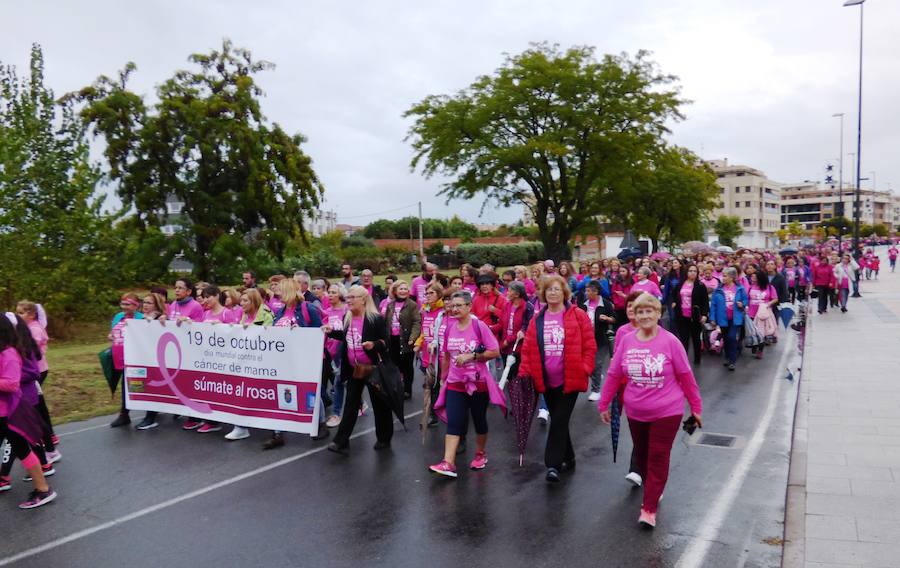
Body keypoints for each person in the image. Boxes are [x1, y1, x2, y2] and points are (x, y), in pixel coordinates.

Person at [598, 293, 703, 528]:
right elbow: (615, 374)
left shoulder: (670, 342)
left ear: (658, 314)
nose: (644, 315)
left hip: (668, 410)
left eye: (649, 311)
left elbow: (686, 377)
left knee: (657, 455)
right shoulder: (626, 340)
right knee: (643, 456)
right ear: (634, 314)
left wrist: (696, 408)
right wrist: (604, 403)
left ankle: (649, 509)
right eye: (640, 311)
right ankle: (654, 488)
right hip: (636, 411)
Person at [518, 275, 596, 482]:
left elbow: (590, 346)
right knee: (559, 421)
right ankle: (569, 457)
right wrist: (525, 374)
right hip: (545, 380)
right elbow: (527, 349)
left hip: (570, 379)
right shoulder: (537, 319)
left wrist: (585, 368)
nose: (553, 292)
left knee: (559, 420)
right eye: (549, 289)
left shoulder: (578, 316)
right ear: (543, 294)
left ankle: (552, 464)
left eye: (557, 289)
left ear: (564, 293)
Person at [429, 291, 505, 478]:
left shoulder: (479, 326)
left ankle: (480, 454)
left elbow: (494, 351)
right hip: (456, 383)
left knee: (479, 421)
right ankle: (448, 463)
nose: (454, 309)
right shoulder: (449, 328)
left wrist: (472, 356)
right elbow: (447, 355)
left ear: (469, 307)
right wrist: (443, 377)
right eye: (452, 306)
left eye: (459, 305)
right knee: (454, 422)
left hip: (478, 383)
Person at [324, 286, 394, 455]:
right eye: (347, 298)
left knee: (380, 406)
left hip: (373, 368)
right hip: (355, 369)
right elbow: (346, 337)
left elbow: (386, 341)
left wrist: (374, 345)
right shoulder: (347, 317)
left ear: (364, 299)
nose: (349, 300)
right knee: (350, 405)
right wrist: (332, 332)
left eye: (352, 297)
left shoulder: (375, 319)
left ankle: (384, 438)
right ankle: (341, 442)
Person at [0, 314, 57, 508]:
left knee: (22, 448)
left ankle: (43, 490)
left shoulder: (8, 353)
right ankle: (42, 489)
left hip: (8, 411)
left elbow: (11, 383)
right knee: (21, 448)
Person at [267, 278, 326, 449]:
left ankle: (320, 423)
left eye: (280, 292)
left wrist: (300, 332)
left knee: (310, 391)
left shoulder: (308, 308)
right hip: (284, 359)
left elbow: (319, 331)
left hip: (305, 358)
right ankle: (278, 432)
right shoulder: (280, 312)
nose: (277, 296)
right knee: (279, 391)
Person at [14, 301, 57, 449]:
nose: (18, 316)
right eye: (17, 312)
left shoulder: (34, 329)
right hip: (34, 371)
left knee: (36, 406)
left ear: (32, 314)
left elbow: (32, 351)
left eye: (21, 313)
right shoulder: (27, 328)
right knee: (39, 404)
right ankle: (49, 436)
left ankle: (45, 440)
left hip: (37, 371)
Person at [109, 294, 145, 428]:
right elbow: (113, 332)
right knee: (123, 385)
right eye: (122, 304)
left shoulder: (141, 318)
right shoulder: (118, 317)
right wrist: (111, 335)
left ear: (136, 305)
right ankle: (124, 414)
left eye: (128, 304)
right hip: (119, 356)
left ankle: (148, 411)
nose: (124, 307)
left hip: (135, 357)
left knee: (134, 385)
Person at [132, 293, 167, 430]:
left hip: (158, 360)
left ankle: (150, 417)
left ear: (156, 305)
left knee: (153, 386)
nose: (145, 305)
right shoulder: (138, 319)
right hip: (143, 358)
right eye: (144, 302)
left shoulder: (160, 318)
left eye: (149, 303)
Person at [382, 280, 421, 400]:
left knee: (407, 367)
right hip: (392, 340)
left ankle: (407, 390)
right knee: (394, 366)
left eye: (405, 289)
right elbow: (385, 323)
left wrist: (413, 337)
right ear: (395, 291)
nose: (403, 291)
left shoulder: (412, 305)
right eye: (401, 289)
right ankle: (397, 388)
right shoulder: (390, 305)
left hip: (406, 340)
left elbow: (416, 322)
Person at [578, 280, 615, 402]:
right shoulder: (583, 305)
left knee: (597, 364)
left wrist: (607, 318)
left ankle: (596, 390)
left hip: (601, 339)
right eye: (586, 290)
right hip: (585, 339)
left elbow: (615, 318)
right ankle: (596, 375)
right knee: (588, 365)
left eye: (589, 291)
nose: (586, 293)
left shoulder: (606, 304)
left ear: (596, 292)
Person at [415, 282, 445, 427]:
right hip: (427, 356)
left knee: (438, 387)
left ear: (439, 294)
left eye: (431, 293)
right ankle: (432, 415)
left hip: (441, 357)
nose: (428, 296)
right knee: (430, 387)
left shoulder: (444, 311)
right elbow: (423, 331)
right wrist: (418, 344)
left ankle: (439, 413)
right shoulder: (425, 310)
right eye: (426, 293)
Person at [709, 267, 748, 371]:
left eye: (725, 276)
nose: (723, 278)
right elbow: (713, 305)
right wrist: (712, 318)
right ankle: (727, 356)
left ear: (732, 277)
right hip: (722, 318)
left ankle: (732, 360)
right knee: (726, 338)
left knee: (731, 337)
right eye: (723, 275)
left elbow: (745, 299)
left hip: (735, 318)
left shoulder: (740, 288)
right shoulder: (718, 290)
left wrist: (742, 304)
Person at [672, 264, 709, 365]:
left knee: (696, 338)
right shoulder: (680, 284)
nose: (692, 273)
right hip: (682, 315)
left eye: (695, 271)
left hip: (695, 316)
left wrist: (705, 315)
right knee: (684, 338)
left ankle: (697, 359)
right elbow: (675, 295)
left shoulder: (700, 286)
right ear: (686, 272)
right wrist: (674, 303)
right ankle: (684, 360)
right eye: (690, 271)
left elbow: (705, 301)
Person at [323, 284, 349, 429]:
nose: (331, 295)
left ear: (340, 295)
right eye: (329, 292)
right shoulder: (326, 312)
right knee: (340, 382)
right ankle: (360, 404)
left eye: (334, 292)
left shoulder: (346, 310)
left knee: (339, 382)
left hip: (343, 351)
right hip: (330, 351)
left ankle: (336, 413)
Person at [746, 269, 777, 359]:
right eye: (752, 277)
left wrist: (768, 304)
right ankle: (754, 345)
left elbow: (775, 298)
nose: (752, 278)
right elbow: (747, 298)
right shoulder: (751, 287)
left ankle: (760, 350)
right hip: (751, 313)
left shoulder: (769, 287)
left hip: (762, 314)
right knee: (752, 332)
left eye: (754, 277)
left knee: (761, 333)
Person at [472, 273, 507, 343]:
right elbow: (472, 316)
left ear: (492, 286)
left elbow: (506, 317)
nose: (484, 286)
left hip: (495, 334)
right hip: (479, 333)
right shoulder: (476, 299)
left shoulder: (501, 299)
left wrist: (496, 311)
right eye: (482, 284)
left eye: (487, 284)